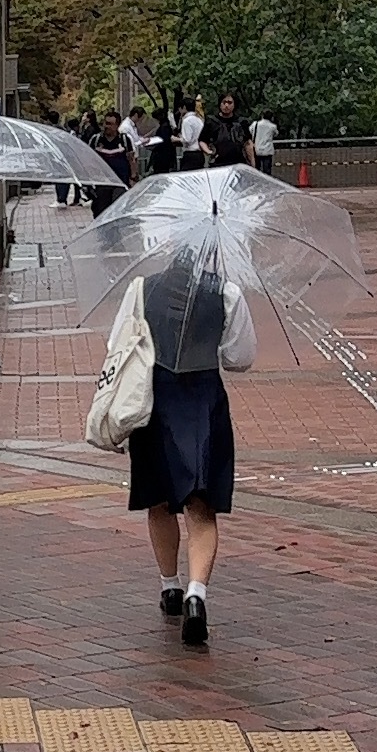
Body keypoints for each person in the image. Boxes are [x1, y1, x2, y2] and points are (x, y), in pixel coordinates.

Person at [129, 248, 257, 650]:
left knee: (159, 499)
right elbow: (240, 357)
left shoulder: (141, 289)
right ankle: (196, 595)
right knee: (200, 505)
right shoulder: (226, 293)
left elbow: (123, 343)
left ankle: (169, 586)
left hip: (154, 400)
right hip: (203, 401)